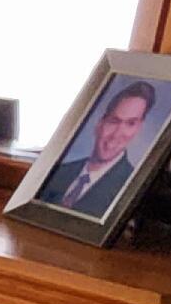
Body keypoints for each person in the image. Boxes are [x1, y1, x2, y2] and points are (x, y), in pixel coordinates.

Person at [41, 79, 156, 216]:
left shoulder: (132, 186)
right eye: (114, 121)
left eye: (130, 123)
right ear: (99, 124)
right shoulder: (59, 171)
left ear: (138, 128)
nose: (117, 134)